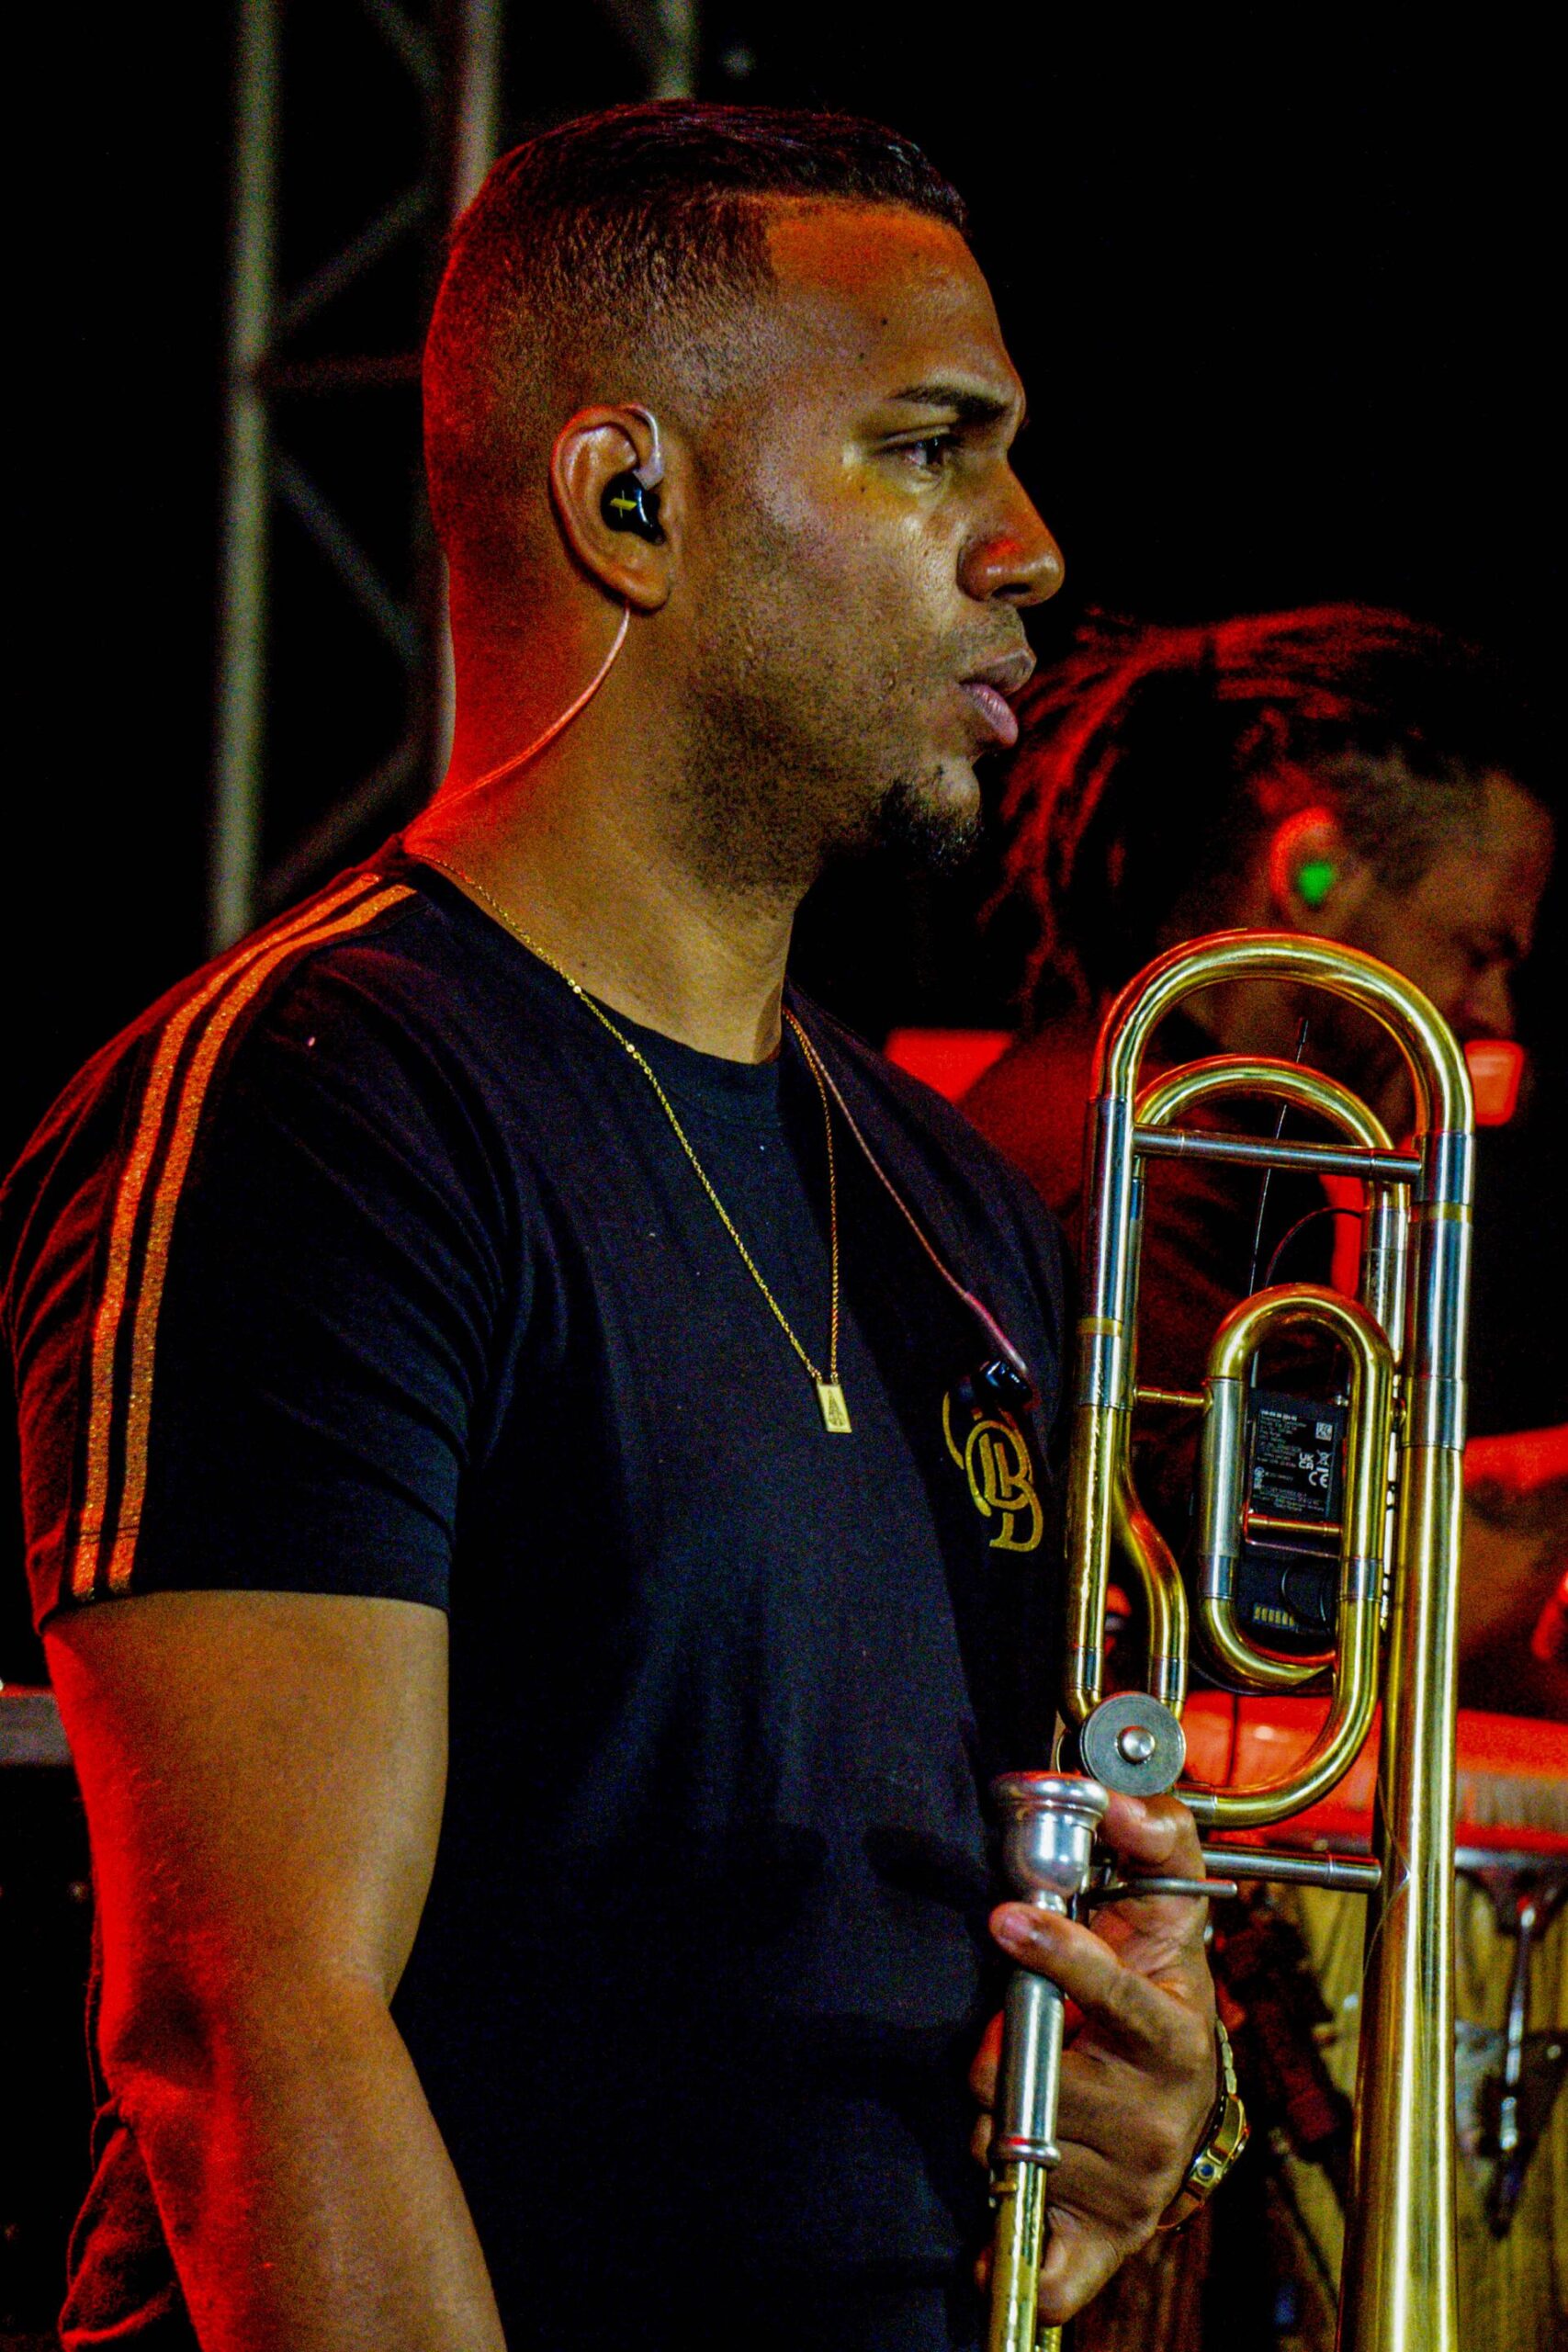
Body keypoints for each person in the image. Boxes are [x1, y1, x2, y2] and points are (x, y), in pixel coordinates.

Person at [2, 107, 1223, 2352]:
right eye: (926, 448)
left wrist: (1124, 2102)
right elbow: (254, 2039)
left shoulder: (954, 1199)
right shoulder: (315, 1102)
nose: (1028, 548)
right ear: (627, 501)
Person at [964, 605, 1564, 1701]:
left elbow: (1307, 1494)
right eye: (1479, 949)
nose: (1494, 1012)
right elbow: (1324, 1593)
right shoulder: (1142, 1169)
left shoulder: (1175, 1134)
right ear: (1316, 875)